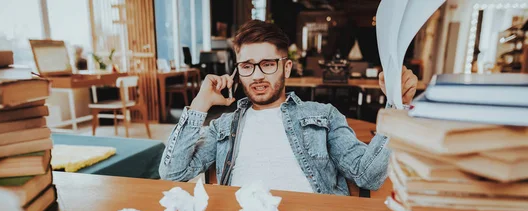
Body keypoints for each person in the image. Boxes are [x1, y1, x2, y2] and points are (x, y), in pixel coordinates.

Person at [159, 20, 418, 195]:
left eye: (268, 64)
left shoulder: (323, 116)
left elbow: (367, 176)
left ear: (286, 67)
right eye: (247, 66)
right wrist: (199, 105)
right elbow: (173, 173)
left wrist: (396, 108)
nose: (257, 75)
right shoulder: (223, 126)